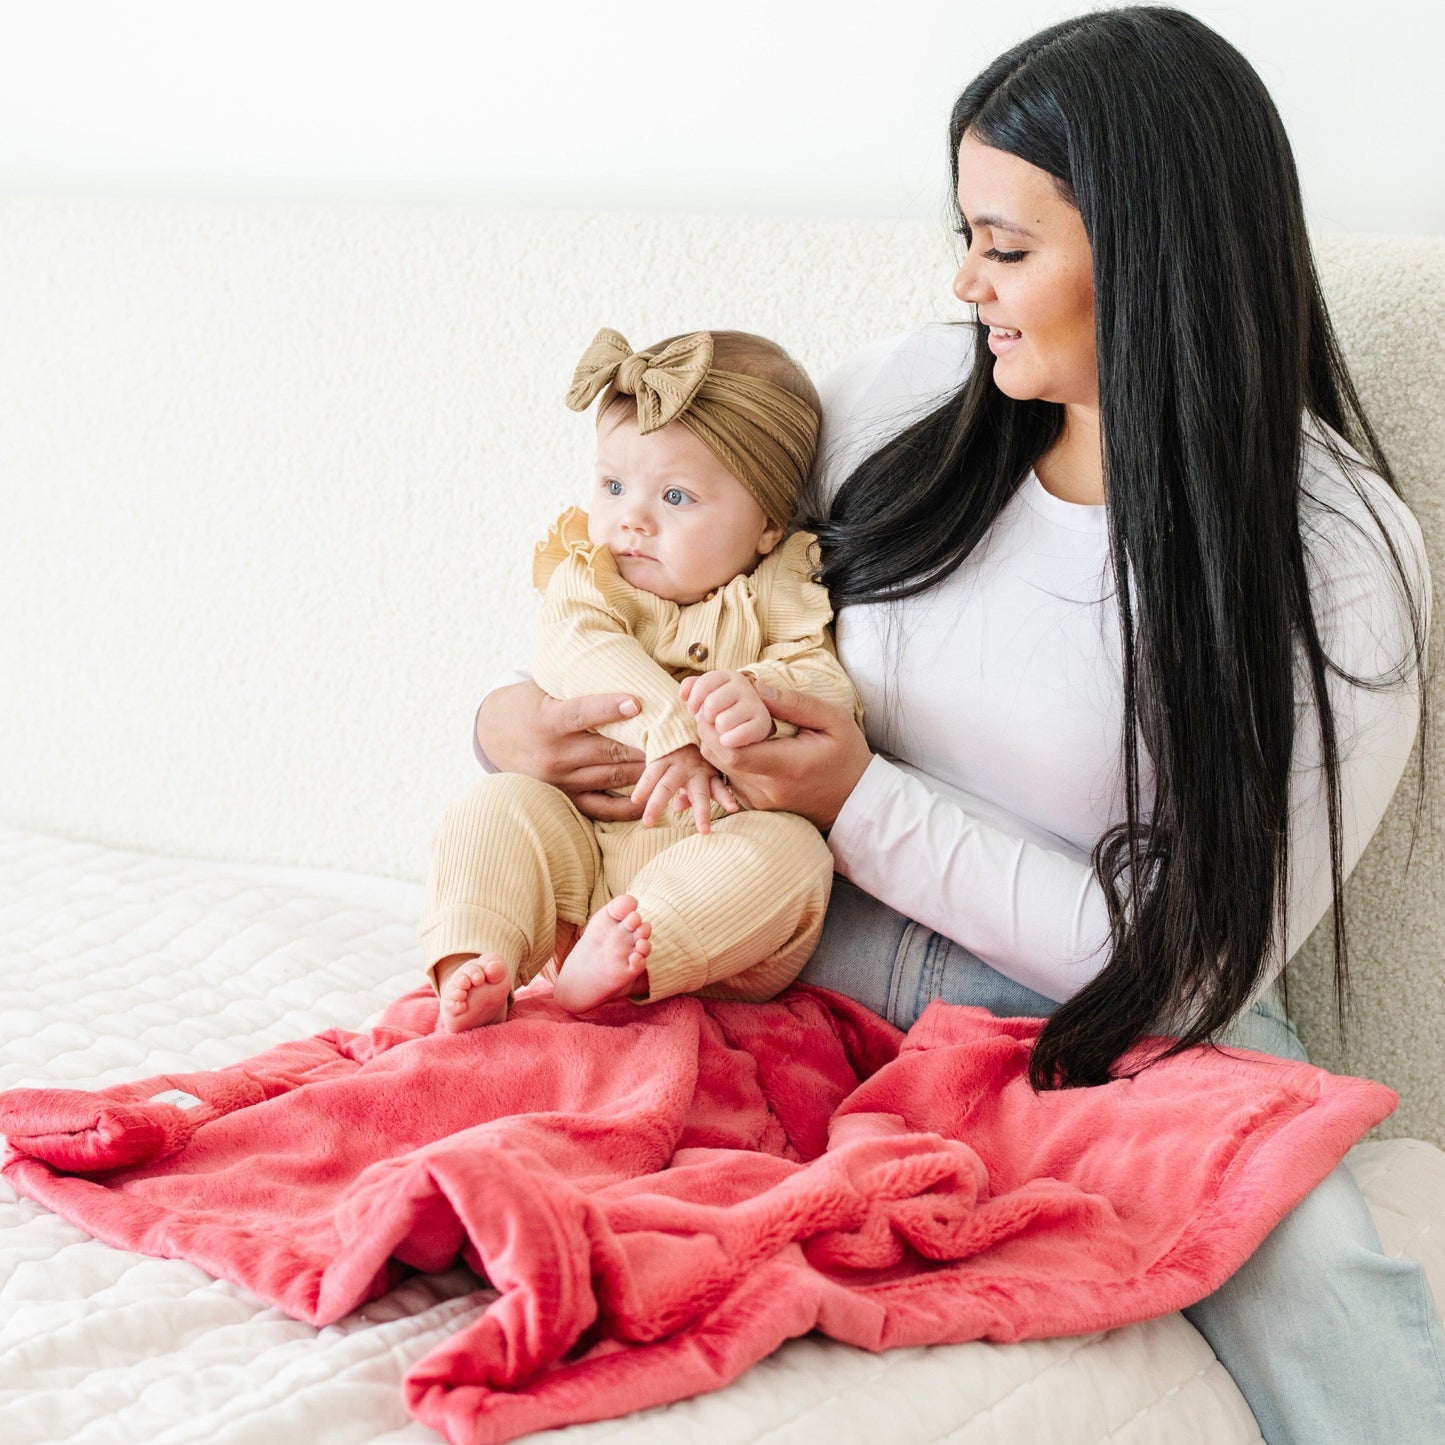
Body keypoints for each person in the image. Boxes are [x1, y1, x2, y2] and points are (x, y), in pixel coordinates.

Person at [471, 8, 1444, 1441]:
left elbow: (1183, 969)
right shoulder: (898, 402)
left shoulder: (1332, 556)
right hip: (796, 927)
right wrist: (509, 726)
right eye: (966, 235)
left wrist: (860, 800)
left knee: (1302, 1267)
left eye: (1004, 246)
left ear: (1149, 253)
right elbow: (652, 584)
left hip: (1107, 1009)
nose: (963, 281)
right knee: (517, 1097)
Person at [422, 326, 859, 1030]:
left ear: (768, 524)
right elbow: (576, 646)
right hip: (582, 848)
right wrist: (673, 730)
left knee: (796, 855)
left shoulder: (783, 587)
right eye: (614, 486)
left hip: (709, 869)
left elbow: (825, 683)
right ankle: (477, 961)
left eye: (676, 497)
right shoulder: (591, 577)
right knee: (496, 804)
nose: (632, 519)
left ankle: (632, 956)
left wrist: (760, 699)